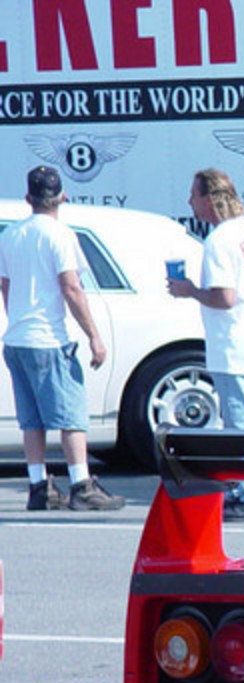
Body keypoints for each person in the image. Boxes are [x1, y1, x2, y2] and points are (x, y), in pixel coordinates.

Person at [0, 165, 124, 511]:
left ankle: (39, 486)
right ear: (62, 197)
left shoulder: (11, 235)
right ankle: (81, 484)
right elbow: (71, 287)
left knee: (32, 419)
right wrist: (94, 335)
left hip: (18, 338)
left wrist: (18, 320)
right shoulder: (61, 235)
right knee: (71, 416)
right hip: (48, 338)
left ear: (28, 199)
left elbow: (5, 285)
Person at [168, 168, 244, 521]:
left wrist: (189, 291)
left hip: (233, 342)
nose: (190, 202)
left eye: (194, 195)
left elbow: (225, 297)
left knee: (240, 422)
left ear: (209, 199)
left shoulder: (220, 240)